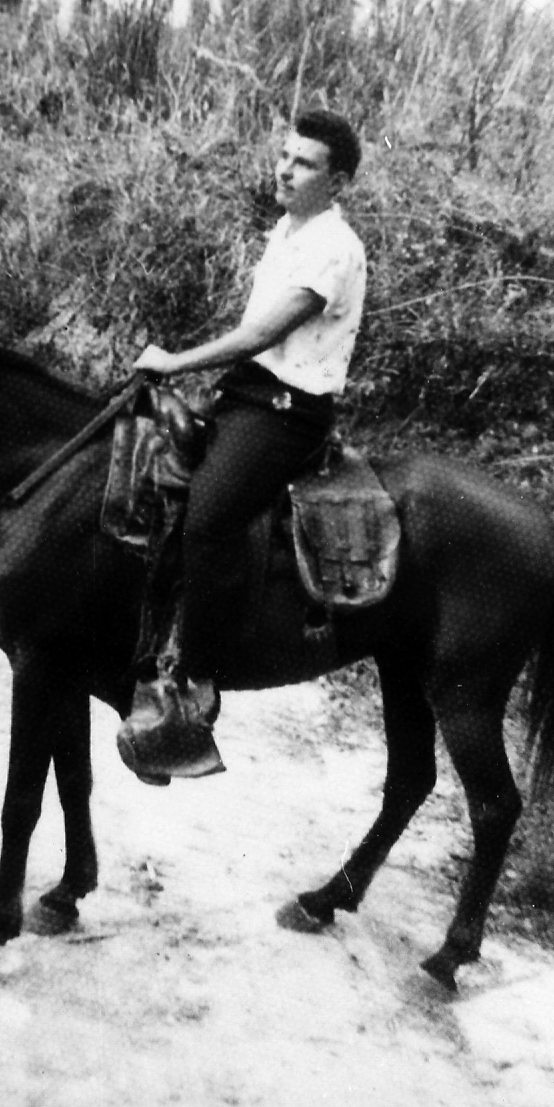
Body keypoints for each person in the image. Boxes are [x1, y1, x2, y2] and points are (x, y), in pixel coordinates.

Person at [124, 110, 366, 780]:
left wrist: (175, 362)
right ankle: (145, 639)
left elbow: (261, 334)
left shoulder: (334, 247)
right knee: (151, 470)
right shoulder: (287, 231)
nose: (284, 170)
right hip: (248, 394)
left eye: (304, 163)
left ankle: (198, 684)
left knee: (208, 515)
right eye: (284, 156)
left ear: (337, 181)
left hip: (288, 412)